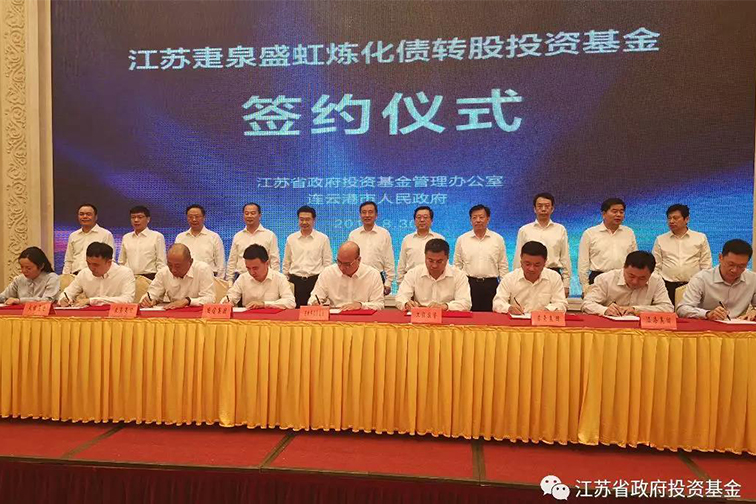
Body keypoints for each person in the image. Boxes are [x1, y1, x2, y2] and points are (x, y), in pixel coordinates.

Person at [677, 239, 756, 320]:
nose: (734, 270)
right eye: (731, 264)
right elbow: (682, 309)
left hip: (740, 325)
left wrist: (754, 311)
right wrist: (707, 314)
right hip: (708, 325)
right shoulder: (702, 278)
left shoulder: (753, 279)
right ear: (720, 257)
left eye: (741, 266)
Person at [513, 193, 571, 297]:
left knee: (554, 306)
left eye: (547, 206)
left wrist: (566, 284)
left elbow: (565, 257)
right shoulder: (525, 230)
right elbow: (518, 257)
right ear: (534, 209)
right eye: (540, 206)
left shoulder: (560, 229)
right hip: (529, 275)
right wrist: (515, 280)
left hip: (553, 275)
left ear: (552, 209)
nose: (543, 209)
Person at [652, 204, 712, 303]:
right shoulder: (660, 239)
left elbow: (706, 265)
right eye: (669, 218)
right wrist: (658, 285)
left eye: (675, 218)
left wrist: (701, 284)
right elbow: (655, 266)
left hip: (692, 286)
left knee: (690, 312)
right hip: (667, 287)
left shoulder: (700, 238)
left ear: (686, 219)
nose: (671, 221)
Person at [453, 204, 508, 311]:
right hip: (468, 284)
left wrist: (505, 288)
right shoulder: (462, 239)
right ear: (470, 220)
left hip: (491, 285)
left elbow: (503, 265)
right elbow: (457, 265)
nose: (478, 220)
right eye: (474, 217)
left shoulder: (498, 239)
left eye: (481, 217)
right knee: (468, 315)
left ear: (488, 219)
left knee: (490, 316)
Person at [582, 251, 673, 316]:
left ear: (651, 274)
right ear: (624, 268)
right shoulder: (606, 279)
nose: (635, 282)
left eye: (642, 278)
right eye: (631, 276)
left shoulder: (656, 281)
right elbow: (587, 304)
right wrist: (605, 310)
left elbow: (668, 308)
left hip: (643, 332)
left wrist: (636, 310)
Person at [578, 198, 638, 293]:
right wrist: (585, 286)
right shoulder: (590, 233)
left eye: (621, 212)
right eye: (614, 211)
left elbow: (634, 259)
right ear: (604, 214)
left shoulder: (629, 232)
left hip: (623, 279)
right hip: (598, 279)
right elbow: (583, 263)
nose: (618, 215)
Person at [395, 239, 471, 311]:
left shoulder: (459, 275)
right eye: (430, 261)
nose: (434, 265)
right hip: (420, 316)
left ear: (447, 258)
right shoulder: (413, 273)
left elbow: (466, 303)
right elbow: (400, 297)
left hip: (447, 316)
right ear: (425, 256)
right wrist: (406, 304)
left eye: (439, 261)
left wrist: (445, 306)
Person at [493, 241, 567, 314]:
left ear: (545, 262)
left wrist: (548, 310)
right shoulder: (510, 278)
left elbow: (561, 304)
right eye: (527, 264)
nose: (531, 269)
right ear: (521, 260)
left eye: (537, 265)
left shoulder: (554, 277)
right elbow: (497, 303)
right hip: (518, 320)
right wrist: (509, 308)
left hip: (543, 320)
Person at [308, 241, 384, 310]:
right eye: (339, 262)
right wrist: (314, 303)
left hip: (362, 317)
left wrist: (361, 305)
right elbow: (314, 297)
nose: (342, 267)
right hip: (336, 317)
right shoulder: (328, 273)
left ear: (359, 260)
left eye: (347, 264)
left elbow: (379, 305)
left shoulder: (373, 275)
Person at [139, 243, 215, 309]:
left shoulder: (203, 270)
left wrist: (187, 301)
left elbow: (210, 299)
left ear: (190, 262)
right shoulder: (163, 272)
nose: (173, 270)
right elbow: (152, 294)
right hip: (172, 315)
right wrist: (148, 301)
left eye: (178, 266)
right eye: (170, 265)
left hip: (198, 316)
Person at [283, 206, 332, 307]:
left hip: (315, 281)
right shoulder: (291, 238)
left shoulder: (322, 238)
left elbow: (327, 262)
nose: (304, 222)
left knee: (315, 311)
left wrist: (324, 281)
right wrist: (285, 280)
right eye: (301, 219)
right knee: (295, 312)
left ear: (314, 220)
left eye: (307, 219)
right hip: (295, 281)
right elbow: (286, 262)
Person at [59, 242, 135, 306]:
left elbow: (127, 299)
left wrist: (91, 301)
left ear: (109, 262)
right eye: (88, 263)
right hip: (90, 316)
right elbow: (68, 292)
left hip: (115, 317)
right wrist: (64, 299)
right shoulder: (84, 273)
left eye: (96, 265)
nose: (91, 268)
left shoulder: (125, 273)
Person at [224, 244, 295, 309]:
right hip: (248, 317)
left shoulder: (279, 278)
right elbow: (230, 297)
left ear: (267, 263)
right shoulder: (243, 278)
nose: (251, 272)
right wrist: (227, 302)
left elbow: (290, 302)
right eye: (248, 268)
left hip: (272, 317)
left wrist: (264, 304)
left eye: (255, 268)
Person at [348, 201, 395, 295]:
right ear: (360, 215)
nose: (367, 215)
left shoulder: (384, 234)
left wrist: (388, 282)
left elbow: (389, 259)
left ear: (376, 215)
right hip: (357, 277)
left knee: (376, 303)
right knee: (356, 303)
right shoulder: (353, 234)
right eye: (364, 212)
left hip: (377, 277)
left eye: (370, 212)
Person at [226, 202, 280, 281]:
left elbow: (274, 260)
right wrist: (229, 280)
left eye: (253, 213)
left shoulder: (269, 235)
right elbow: (232, 260)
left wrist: (275, 280)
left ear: (259, 215)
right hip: (241, 279)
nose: (249, 216)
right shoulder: (238, 236)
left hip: (263, 279)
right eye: (246, 213)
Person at [396, 206, 445, 285]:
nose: (422, 220)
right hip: (412, 281)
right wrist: (400, 283)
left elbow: (444, 263)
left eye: (425, 217)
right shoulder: (407, 239)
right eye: (418, 217)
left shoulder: (439, 238)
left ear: (431, 220)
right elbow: (402, 264)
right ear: (414, 220)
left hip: (434, 281)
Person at [62, 204, 115, 275]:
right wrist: (65, 275)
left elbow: (110, 259)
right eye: (81, 214)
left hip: (95, 275)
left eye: (88, 214)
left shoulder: (105, 234)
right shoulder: (73, 235)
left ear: (96, 217)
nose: (84, 216)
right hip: (75, 276)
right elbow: (69, 259)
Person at [175, 204, 225, 277]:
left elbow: (220, 263)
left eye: (197, 216)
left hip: (208, 277)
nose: (194, 219)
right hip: (185, 277)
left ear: (204, 217)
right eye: (190, 217)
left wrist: (220, 280)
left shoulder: (214, 237)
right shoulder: (180, 237)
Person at [118, 205, 166, 280]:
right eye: (133, 217)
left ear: (148, 219)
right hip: (129, 278)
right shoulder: (126, 237)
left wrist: (159, 280)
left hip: (149, 278)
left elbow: (161, 262)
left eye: (140, 217)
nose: (136, 220)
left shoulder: (157, 236)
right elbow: (121, 261)